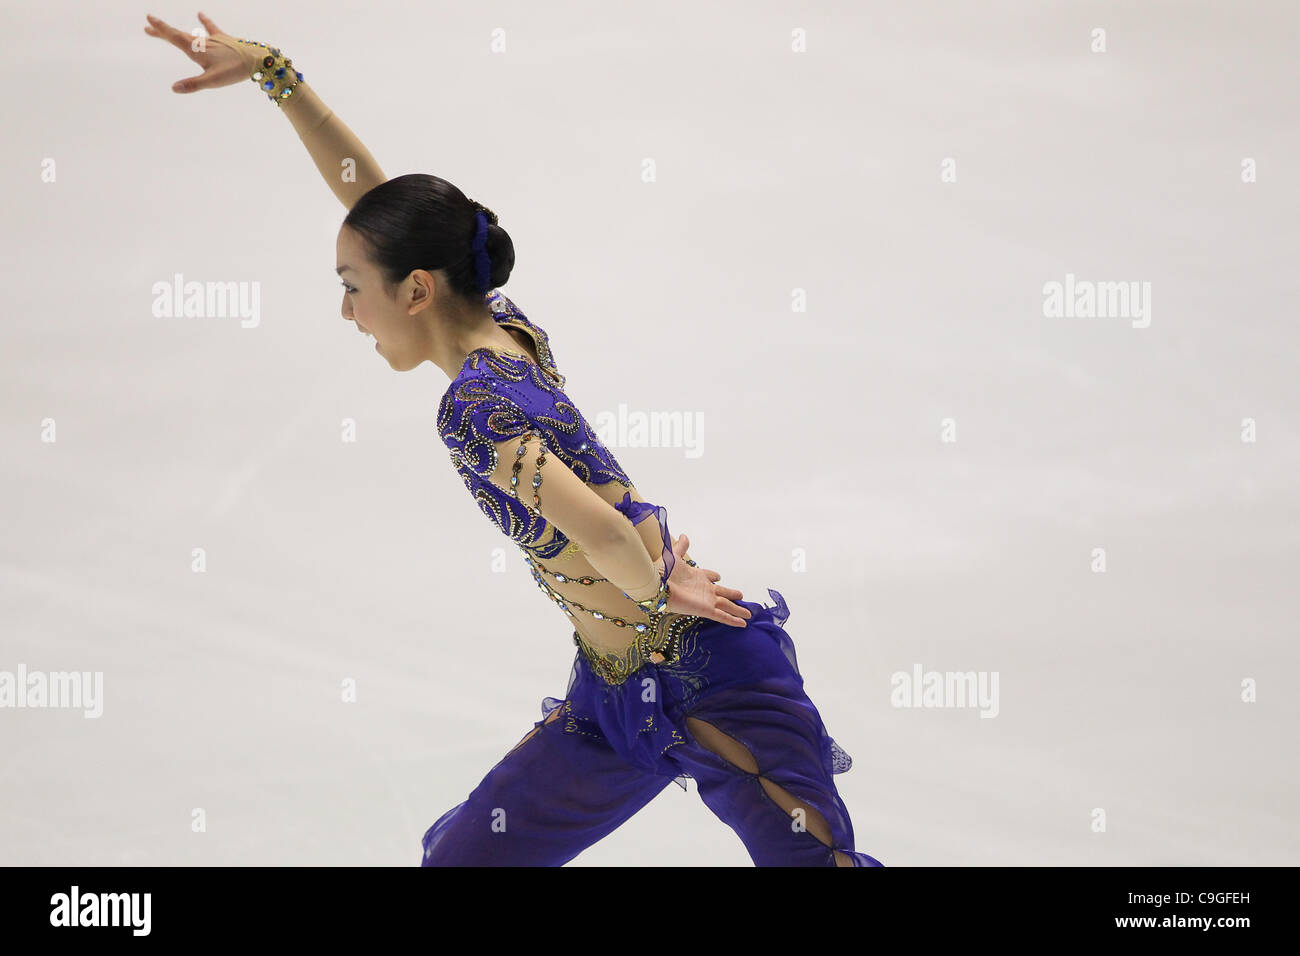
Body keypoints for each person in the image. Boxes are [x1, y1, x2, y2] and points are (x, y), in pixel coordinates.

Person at [144, 12, 885, 867]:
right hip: (611, 699)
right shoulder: (501, 325)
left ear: (417, 291)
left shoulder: (473, 409)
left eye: (352, 288)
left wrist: (657, 592)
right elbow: (380, 209)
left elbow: (603, 532)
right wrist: (276, 76)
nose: (347, 309)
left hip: (711, 679)